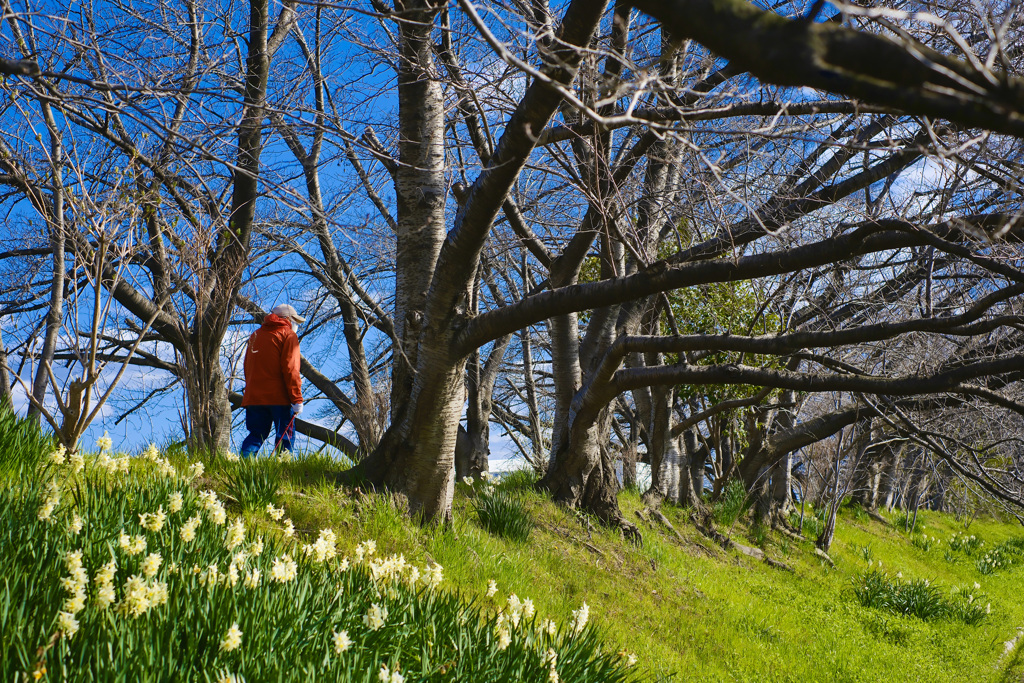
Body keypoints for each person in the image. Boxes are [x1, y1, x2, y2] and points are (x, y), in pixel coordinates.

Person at [240, 304, 304, 458]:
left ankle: (242, 467)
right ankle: (283, 472)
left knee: (256, 435)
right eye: (295, 321)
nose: (296, 325)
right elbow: (291, 369)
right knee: (285, 438)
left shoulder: (255, 335)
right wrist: (297, 399)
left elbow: (247, 367)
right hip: (280, 398)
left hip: (254, 397)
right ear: (287, 319)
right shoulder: (288, 335)